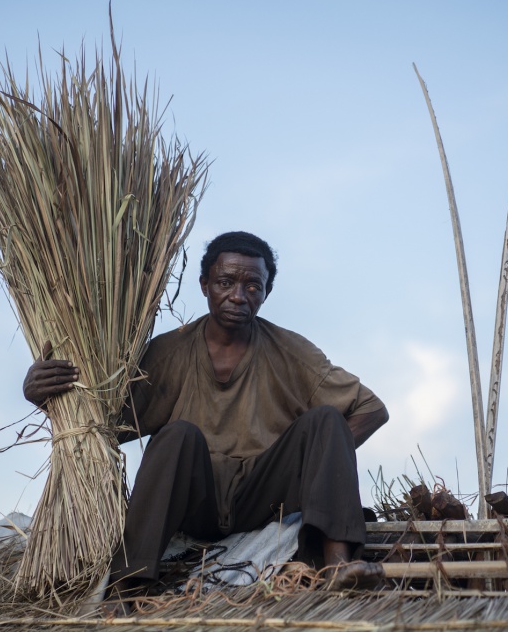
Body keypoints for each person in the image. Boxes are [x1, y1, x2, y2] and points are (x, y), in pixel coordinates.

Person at [23, 231, 388, 592]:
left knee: (326, 420)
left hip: (264, 496)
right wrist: (41, 395)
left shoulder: (292, 352)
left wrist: (319, 463)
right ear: (204, 285)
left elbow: (371, 409)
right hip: (195, 501)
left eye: (252, 287)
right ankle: (126, 587)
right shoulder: (168, 352)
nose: (238, 296)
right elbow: (102, 427)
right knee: (177, 434)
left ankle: (339, 564)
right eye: (225, 282)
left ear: (266, 293)